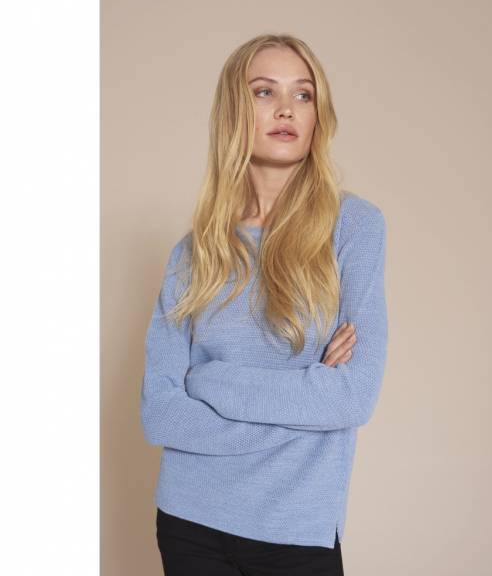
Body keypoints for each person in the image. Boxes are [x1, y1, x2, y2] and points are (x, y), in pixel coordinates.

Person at [140, 32, 388, 576]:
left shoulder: (353, 227)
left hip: (295, 527)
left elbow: (352, 396)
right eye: (263, 92)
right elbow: (160, 413)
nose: (286, 109)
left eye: (303, 94)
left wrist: (209, 381)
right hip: (188, 520)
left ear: (318, 115)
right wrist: (301, 410)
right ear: (235, 110)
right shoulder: (194, 252)